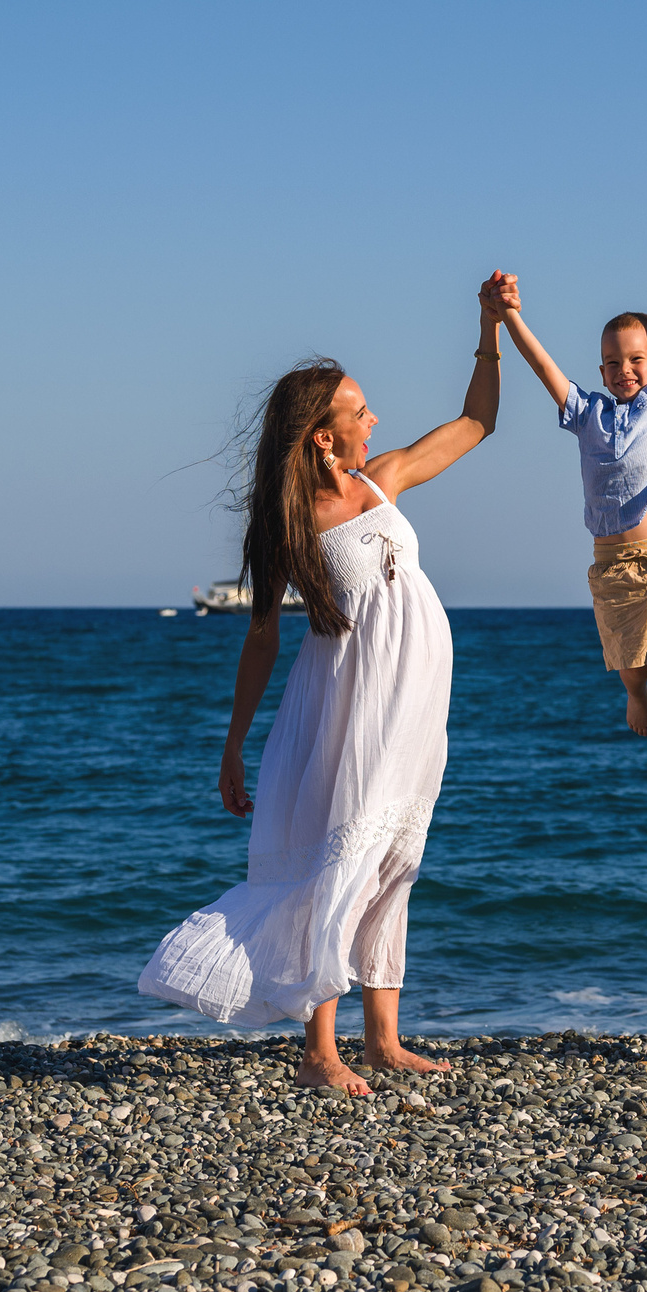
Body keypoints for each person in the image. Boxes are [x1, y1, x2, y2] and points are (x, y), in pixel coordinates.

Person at [137, 278, 508, 1094]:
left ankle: (383, 1038)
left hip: (413, 702)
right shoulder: (289, 523)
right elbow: (263, 635)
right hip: (347, 703)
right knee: (343, 854)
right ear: (319, 434)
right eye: (359, 409)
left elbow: (477, 419)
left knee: (393, 857)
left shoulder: (384, 479)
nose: (374, 418)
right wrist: (234, 740)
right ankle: (318, 1049)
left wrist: (488, 326)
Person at [493, 257, 647, 749]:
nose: (624, 369)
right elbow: (543, 364)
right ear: (600, 370)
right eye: (612, 362)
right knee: (633, 661)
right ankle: (638, 692)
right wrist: (509, 316)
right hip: (612, 567)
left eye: (636, 359)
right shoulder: (586, 413)